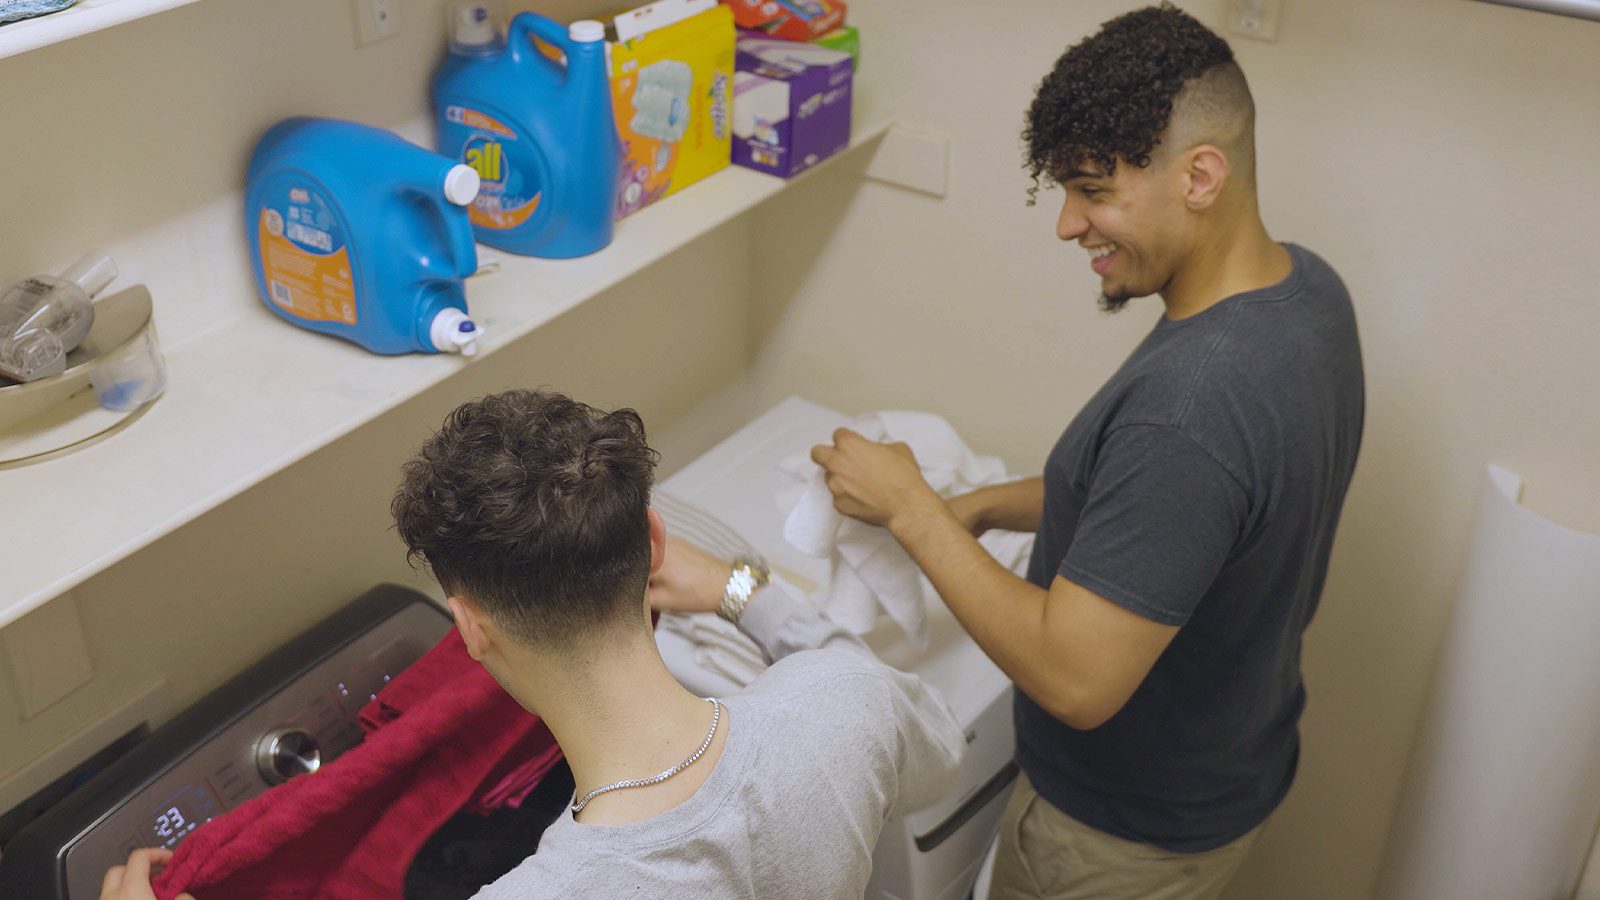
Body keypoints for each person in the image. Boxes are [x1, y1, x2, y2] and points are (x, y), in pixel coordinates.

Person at [811, 5, 1365, 899]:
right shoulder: (1304, 293)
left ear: (1200, 176)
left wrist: (911, 509)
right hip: (1233, 767)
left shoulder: (1189, 412)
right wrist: (982, 508)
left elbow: (1075, 680)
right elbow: (1167, 509)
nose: (1068, 224)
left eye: (1094, 190)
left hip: (1113, 842)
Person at [101, 388, 964, 900]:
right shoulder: (846, 701)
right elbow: (935, 754)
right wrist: (745, 591)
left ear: (470, 628)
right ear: (654, 544)